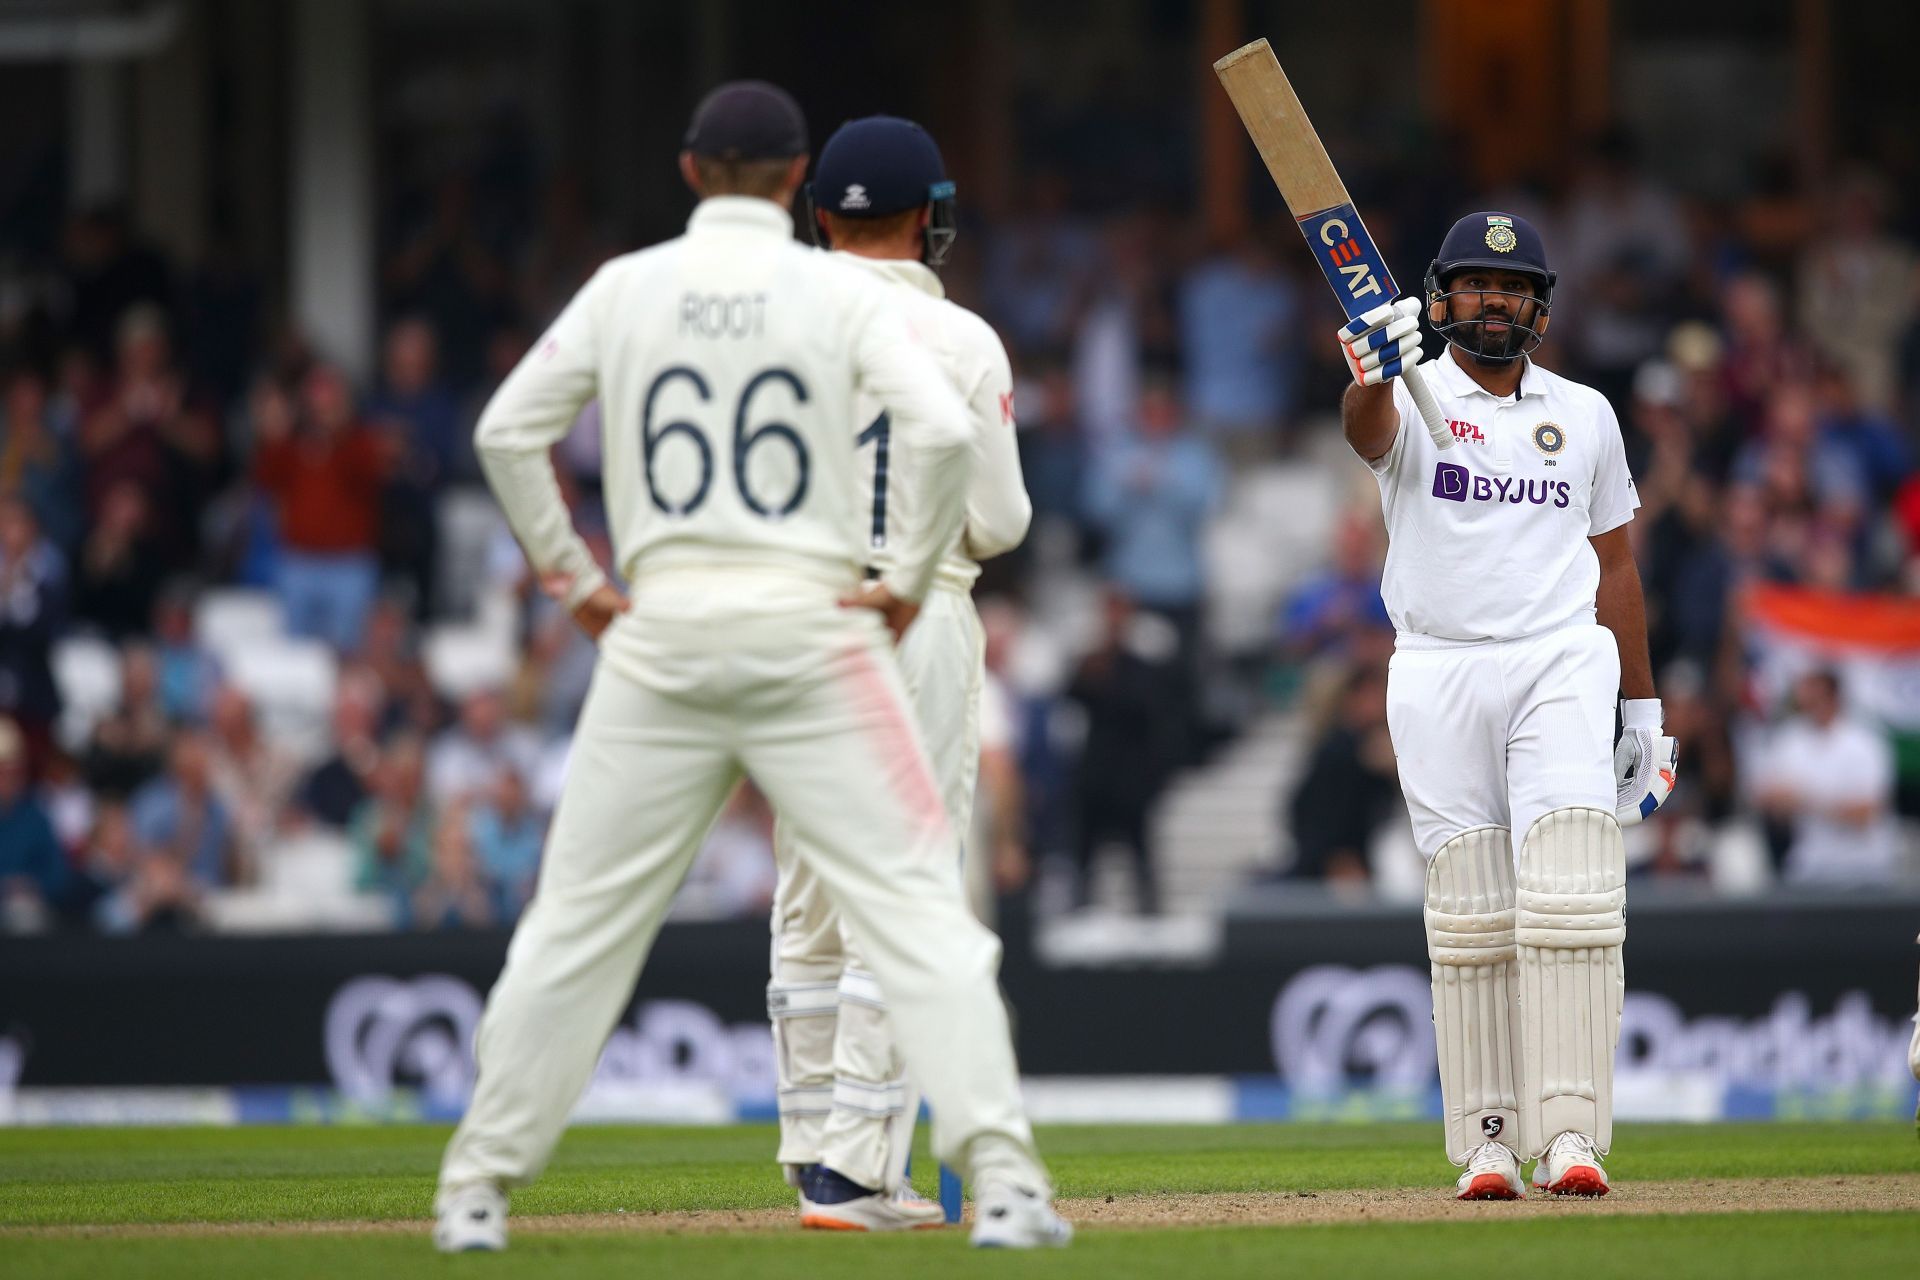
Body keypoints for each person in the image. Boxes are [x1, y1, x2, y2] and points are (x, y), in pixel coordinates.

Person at [430, 82, 1066, 1253]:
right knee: (911, 901)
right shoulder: (906, 322)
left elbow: (504, 431)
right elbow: (990, 500)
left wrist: (579, 584)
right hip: (863, 621)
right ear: (793, 185)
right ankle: (925, 1167)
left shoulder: (653, 290)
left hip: (675, 620)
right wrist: (909, 569)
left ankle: (490, 1181)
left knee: (611, 918)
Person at [1336, 212, 1677, 1202]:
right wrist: (1367, 373)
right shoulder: (1406, 388)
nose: (1495, 300)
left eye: (1513, 285)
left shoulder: (1586, 413)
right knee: (1473, 911)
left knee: (1572, 890)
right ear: (1443, 298)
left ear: (1540, 304)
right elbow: (1370, 436)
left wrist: (1644, 707)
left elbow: (1616, 566)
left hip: (1560, 658)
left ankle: (1572, 1131)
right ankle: (1489, 1138)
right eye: (1478, 284)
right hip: (1438, 664)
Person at [766, 115, 1033, 1231]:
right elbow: (1001, 519)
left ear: (820, 217)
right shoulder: (964, 341)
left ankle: (810, 1141)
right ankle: (860, 1167)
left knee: (811, 890)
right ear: (930, 219)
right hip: (913, 610)